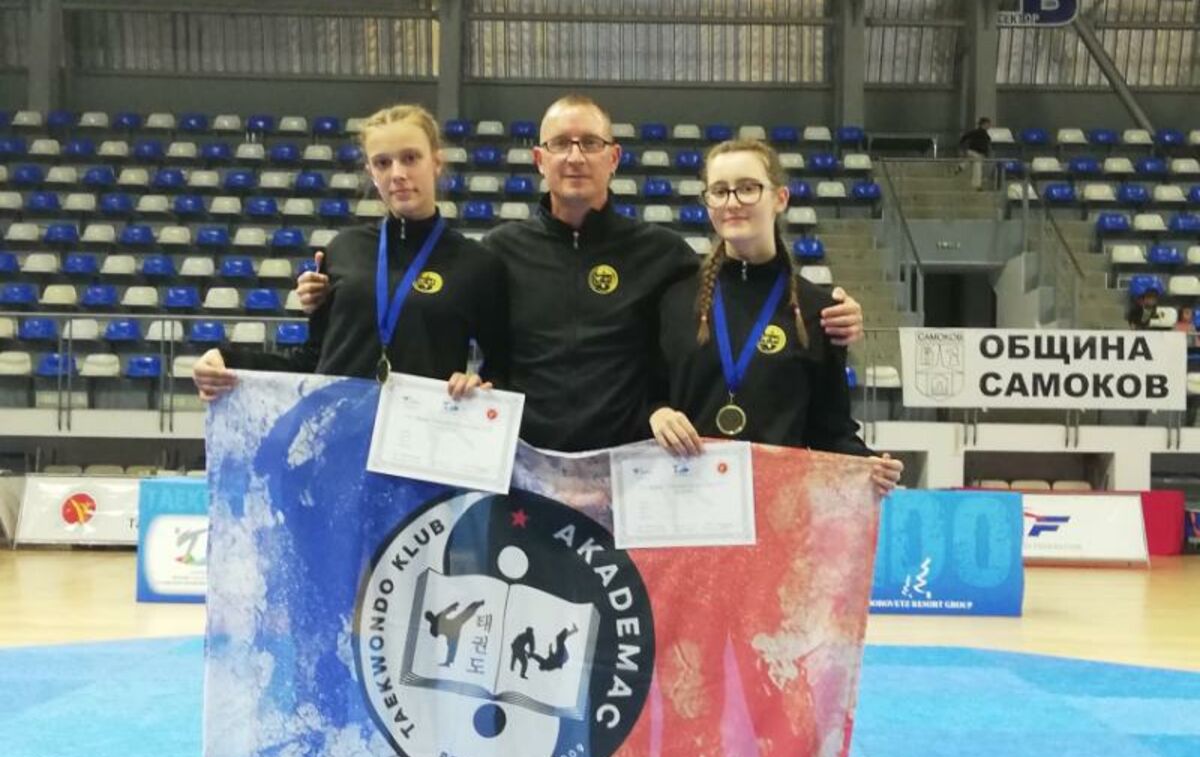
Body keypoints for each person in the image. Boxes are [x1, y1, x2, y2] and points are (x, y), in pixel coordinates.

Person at [297, 95, 867, 451]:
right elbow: (439, 337)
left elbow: (740, 298)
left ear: (613, 158)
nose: (574, 156)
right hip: (522, 469)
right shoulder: (496, 254)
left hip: (624, 470)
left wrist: (830, 313)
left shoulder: (662, 255)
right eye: (560, 145)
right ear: (539, 160)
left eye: (589, 143)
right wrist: (330, 302)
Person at [191, 103, 507, 402]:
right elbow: (312, 360)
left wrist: (479, 383)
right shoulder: (344, 249)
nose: (397, 173)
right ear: (371, 172)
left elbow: (503, 367)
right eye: (383, 163)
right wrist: (227, 361)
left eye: (410, 158)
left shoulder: (475, 264)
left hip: (417, 434)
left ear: (436, 163)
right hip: (336, 431)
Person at [647, 139, 902, 494]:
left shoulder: (818, 311)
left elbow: (829, 430)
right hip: (689, 503)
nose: (732, 202)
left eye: (748, 188)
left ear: (780, 198)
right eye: (719, 191)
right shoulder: (674, 300)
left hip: (778, 507)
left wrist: (867, 465)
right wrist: (656, 414)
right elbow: (647, 394)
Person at [958, 116, 992, 191]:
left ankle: (960, 167)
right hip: (975, 152)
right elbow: (965, 137)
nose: (989, 126)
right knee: (977, 167)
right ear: (984, 124)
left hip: (975, 153)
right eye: (988, 124)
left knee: (971, 161)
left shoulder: (984, 134)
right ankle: (977, 185)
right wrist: (961, 147)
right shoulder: (977, 132)